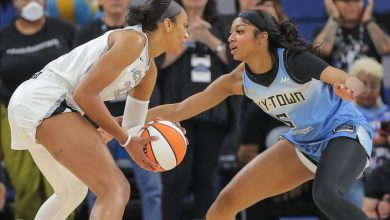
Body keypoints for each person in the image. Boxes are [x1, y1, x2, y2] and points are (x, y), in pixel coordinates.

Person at [146, 10, 374, 220]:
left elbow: (346, 78)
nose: (231, 38)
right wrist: (123, 122)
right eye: (230, 33)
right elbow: (178, 110)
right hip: (304, 141)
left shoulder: (293, 61)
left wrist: (350, 88)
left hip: (343, 130)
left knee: (325, 195)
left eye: (240, 31)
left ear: (262, 37)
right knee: (223, 206)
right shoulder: (236, 81)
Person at [7, 0, 188, 219]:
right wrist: (127, 140)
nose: (187, 34)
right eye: (184, 25)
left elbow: (132, 128)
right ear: (168, 24)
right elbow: (84, 93)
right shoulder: (134, 40)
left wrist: (162, 130)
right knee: (115, 188)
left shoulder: (149, 71)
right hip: (46, 98)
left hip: (35, 103)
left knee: (72, 192)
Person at [73, 1, 163, 219]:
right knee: (100, 188)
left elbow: (150, 73)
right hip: (99, 118)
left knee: (152, 186)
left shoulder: (140, 34)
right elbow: (80, 81)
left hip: (134, 115)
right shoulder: (87, 32)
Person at [0, 0, 75, 218]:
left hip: (60, 115)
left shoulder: (64, 30)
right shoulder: (3, 38)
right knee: (26, 185)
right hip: (14, 117)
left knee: (64, 186)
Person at [314, 0, 390, 71]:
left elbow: (386, 49)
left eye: (356, 0)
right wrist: (334, 17)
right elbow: (321, 51)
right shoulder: (325, 31)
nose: (352, 5)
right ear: (333, 3)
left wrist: (368, 20)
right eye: (345, 1)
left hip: (368, 84)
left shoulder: (374, 28)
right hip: (338, 84)